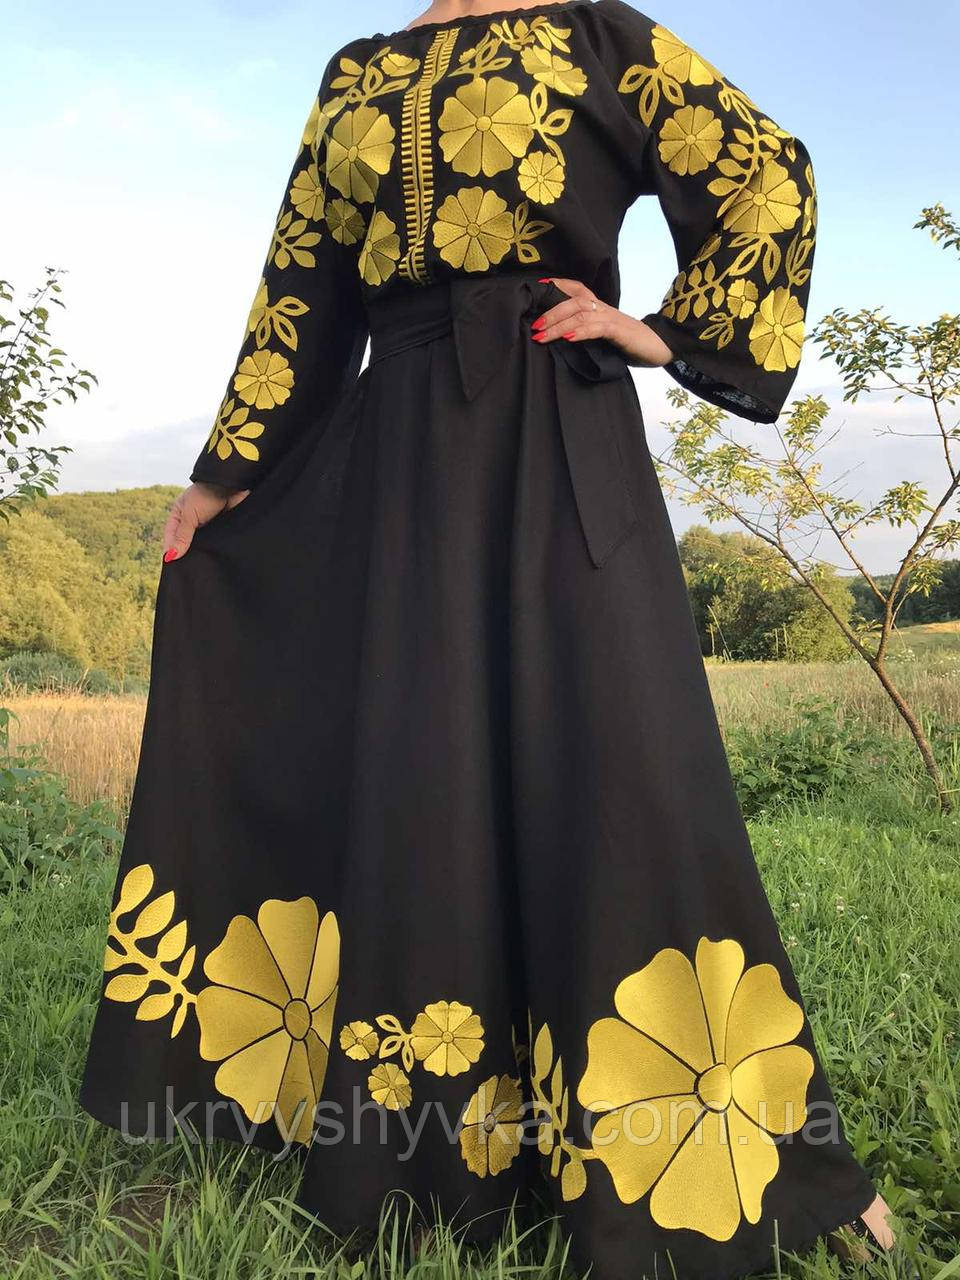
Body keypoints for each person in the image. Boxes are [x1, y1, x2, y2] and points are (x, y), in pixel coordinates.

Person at [78, 2, 908, 1276]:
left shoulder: (596, 34)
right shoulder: (356, 75)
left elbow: (766, 173)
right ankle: (421, 1145)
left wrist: (664, 331)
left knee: (629, 767)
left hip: (558, 429)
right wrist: (222, 475)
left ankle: (754, 1145)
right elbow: (301, 289)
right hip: (402, 465)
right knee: (421, 776)